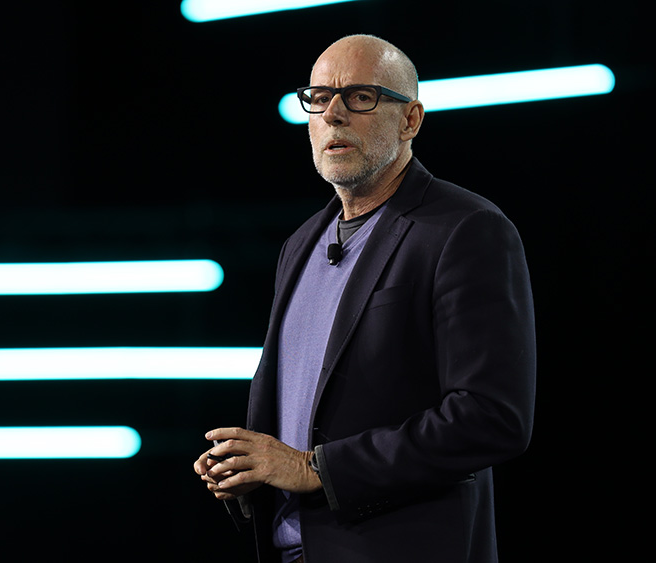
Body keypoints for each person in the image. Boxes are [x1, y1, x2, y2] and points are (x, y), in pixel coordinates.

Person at [193, 34, 536, 563]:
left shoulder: (465, 230)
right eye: (318, 97)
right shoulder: (300, 244)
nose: (333, 114)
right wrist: (249, 469)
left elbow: (492, 416)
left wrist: (314, 469)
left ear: (411, 120)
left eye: (360, 97)